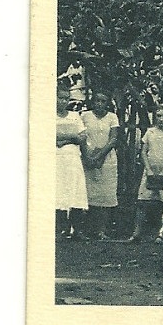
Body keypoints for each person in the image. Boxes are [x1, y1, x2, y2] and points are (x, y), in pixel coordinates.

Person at [129, 103, 163, 243]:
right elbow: (143, 151)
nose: (161, 119)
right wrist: (148, 168)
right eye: (158, 116)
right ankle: (137, 234)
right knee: (143, 202)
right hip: (150, 170)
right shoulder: (150, 132)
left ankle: (162, 234)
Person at [81, 91, 120, 239]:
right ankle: (84, 229)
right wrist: (88, 156)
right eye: (97, 100)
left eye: (103, 101)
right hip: (88, 158)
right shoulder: (85, 116)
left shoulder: (112, 117)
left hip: (107, 159)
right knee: (87, 193)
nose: (100, 104)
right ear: (93, 102)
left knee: (105, 195)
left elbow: (113, 139)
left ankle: (101, 230)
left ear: (107, 103)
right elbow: (82, 136)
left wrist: (99, 156)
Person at [56, 85, 89, 240]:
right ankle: (61, 230)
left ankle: (77, 230)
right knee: (59, 192)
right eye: (60, 98)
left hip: (73, 158)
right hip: (56, 159)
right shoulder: (48, 116)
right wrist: (72, 136)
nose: (63, 101)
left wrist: (65, 138)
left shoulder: (75, 116)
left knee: (76, 192)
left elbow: (82, 137)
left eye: (66, 98)